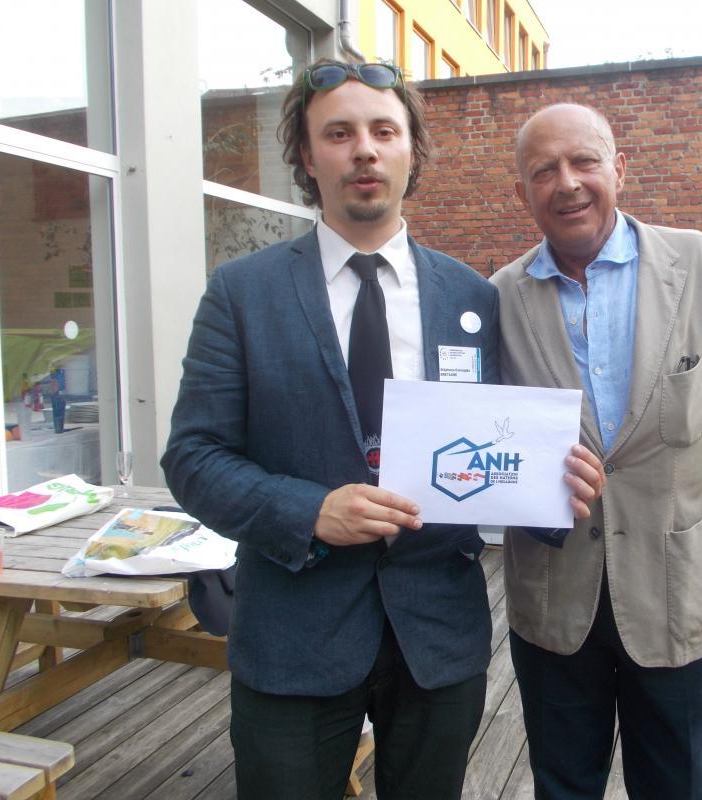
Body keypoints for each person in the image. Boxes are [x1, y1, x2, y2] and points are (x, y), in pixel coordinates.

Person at [162, 61, 601, 800]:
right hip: (292, 636)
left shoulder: (471, 297)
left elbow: (497, 445)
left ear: (410, 151)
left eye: (383, 131)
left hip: (436, 638)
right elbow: (193, 457)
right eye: (338, 134)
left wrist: (553, 487)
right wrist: (310, 510)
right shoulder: (242, 294)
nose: (363, 149)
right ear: (307, 157)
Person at [491, 104, 702, 800]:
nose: (567, 183)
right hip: (553, 600)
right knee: (563, 786)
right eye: (544, 171)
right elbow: (482, 446)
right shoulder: (498, 299)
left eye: (584, 161)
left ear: (619, 169)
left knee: (675, 785)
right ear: (523, 192)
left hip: (680, 598)